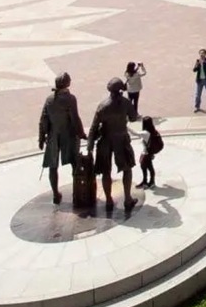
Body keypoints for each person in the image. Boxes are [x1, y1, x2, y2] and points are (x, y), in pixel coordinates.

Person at [88, 77, 138, 218]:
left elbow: (93, 127)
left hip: (105, 140)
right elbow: (133, 117)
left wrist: (90, 145)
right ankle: (127, 199)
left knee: (105, 171)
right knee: (127, 169)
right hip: (121, 138)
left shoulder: (103, 105)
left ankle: (109, 200)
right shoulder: (126, 103)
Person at [38, 72, 85, 206]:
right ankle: (77, 191)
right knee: (74, 162)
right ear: (67, 83)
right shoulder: (70, 99)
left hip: (53, 136)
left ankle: (55, 194)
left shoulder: (49, 99)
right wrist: (81, 134)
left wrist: (41, 138)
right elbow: (75, 119)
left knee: (53, 166)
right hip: (68, 135)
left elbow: (43, 119)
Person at [138, 116, 164, 188]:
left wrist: (125, 127)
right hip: (149, 152)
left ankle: (146, 182)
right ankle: (150, 182)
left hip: (146, 153)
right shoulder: (154, 131)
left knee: (144, 166)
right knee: (149, 167)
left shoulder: (146, 133)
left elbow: (134, 133)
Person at [192, 48, 206, 113]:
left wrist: (203, 63)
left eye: (203, 53)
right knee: (197, 94)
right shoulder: (197, 61)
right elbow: (194, 70)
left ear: (205, 54)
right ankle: (197, 107)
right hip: (199, 81)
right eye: (200, 53)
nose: (201, 54)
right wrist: (199, 64)